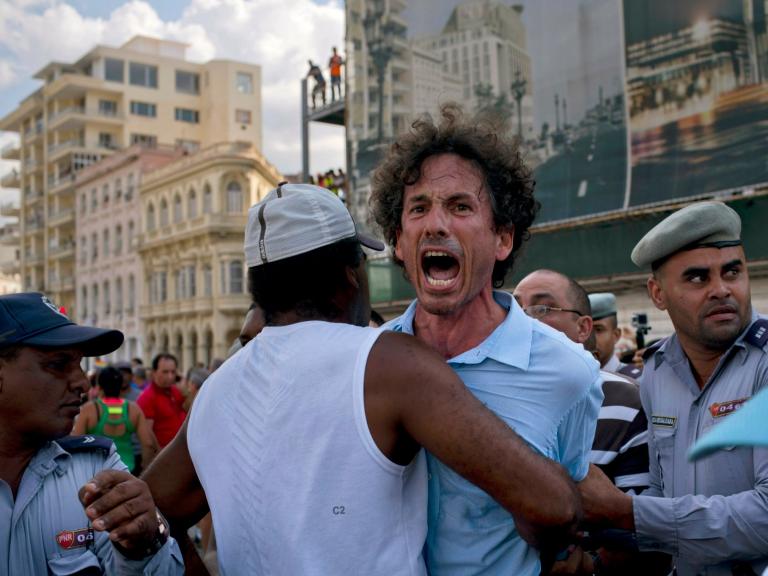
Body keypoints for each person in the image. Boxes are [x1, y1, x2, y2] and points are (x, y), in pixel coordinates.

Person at [143, 183, 581, 575]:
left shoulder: (218, 389)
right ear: (349, 276)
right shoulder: (389, 365)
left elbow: (149, 514)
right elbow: (552, 506)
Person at [369, 103, 603, 575]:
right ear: (398, 241)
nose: (436, 224)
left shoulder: (569, 373)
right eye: (419, 208)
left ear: (502, 239)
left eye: (460, 206)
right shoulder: (365, 364)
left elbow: (566, 515)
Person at [580, 201, 768, 575]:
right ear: (657, 293)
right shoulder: (657, 372)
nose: (721, 290)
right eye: (698, 278)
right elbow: (664, 494)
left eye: (732, 272)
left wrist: (627, 511)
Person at [0, 293, 182, 575]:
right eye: (58, 364)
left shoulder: (96, 468)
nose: (83, 383)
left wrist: (145, 539)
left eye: (80, 365)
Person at [513, 270, 667, 575]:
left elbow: (647, 532)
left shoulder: (626, 402)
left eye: (543, 308)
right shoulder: (483, 400)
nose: (523, 320)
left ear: (584, 328)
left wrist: (590, 564)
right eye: (515, 310)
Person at [73, 366, 158, 475]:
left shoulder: (89, 409)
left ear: (99, 386)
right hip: (127, 471)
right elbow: (148, 444)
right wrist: (144, 469)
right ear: (121, 385)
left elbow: (75, 442)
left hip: (96, 473)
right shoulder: (133, 409)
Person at [137, 353, 186, 449]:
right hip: (163, 456)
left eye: (173, 372)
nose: (170, 376)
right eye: (165, 372)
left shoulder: (176, 391)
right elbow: (147, 437)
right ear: (154, 373)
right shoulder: (147, 398)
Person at [589, 292, 642, 378]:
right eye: (584, 330)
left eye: (598, 330)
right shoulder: (574, 381)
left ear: (616, 335)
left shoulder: (636, 381)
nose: (590, 338)